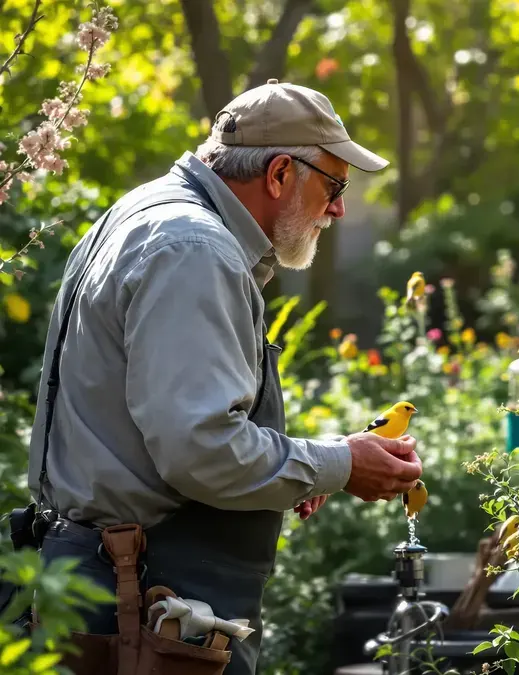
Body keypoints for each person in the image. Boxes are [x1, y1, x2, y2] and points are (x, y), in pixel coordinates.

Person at [22, 79, 422, 674]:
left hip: (108, 581)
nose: (339, 208)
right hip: (144, 605)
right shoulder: (195, 248)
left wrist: (299, 466)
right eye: (334, 185)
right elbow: (200, 449)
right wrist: (342, 464)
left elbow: (160, 436)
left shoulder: (146, 212)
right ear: (281, 173)